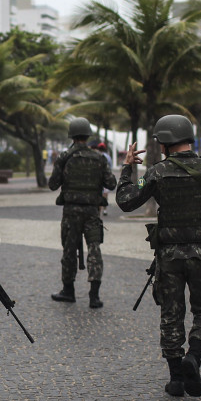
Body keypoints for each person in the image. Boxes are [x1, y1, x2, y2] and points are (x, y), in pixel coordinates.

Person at [116, 115, 201, 398]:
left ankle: (176, 378)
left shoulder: (156, 173)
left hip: (169, 255)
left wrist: (127, 168)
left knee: (170, 313)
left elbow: (126, 200)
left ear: (163, 143)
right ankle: (194, 357)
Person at [48, 118, 116, 308]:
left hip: (71, 212)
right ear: (87, 136)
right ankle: (94, 296)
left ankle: (68, 291)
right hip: (92, 212)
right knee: (94, 249)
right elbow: (111, 183)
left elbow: (53, 184)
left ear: (72, 136)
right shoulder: (99, 158)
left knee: (69, 251)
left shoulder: (65, 157)